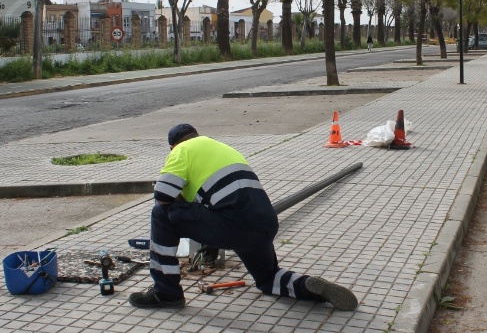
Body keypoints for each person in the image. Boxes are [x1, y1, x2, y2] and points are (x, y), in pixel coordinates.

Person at [129, 124, 358, 311]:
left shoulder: (181, 151)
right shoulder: (224, 149)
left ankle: (166, 292)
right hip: (264, 225)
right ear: (197, 135)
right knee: (268, 278)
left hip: (232, 226)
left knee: (161, 215)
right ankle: (306, 286)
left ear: (173, 146)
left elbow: (162, 197)